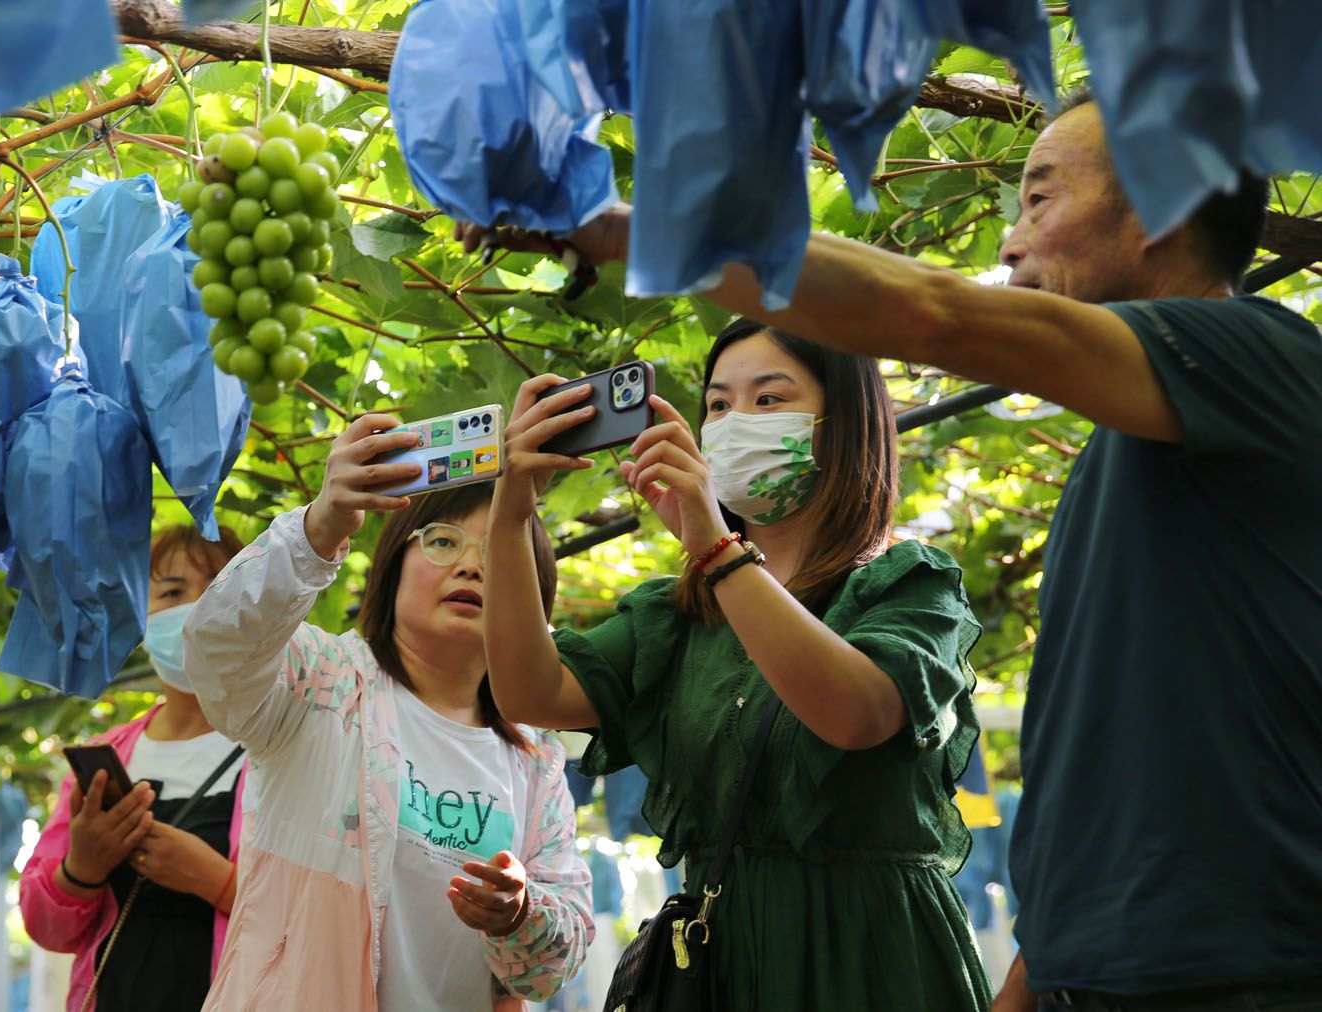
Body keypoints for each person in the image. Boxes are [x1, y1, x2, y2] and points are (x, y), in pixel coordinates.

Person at [465, 87, 1322, 1010]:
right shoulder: (1121, 465)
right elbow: (1104, 779)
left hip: (1228, 975)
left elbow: (932, 314)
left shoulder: (1255, 357)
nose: (1008, 239)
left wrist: (607, 223)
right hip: (1103, 976)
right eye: (718, 401)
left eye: (1038, 198)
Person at [483, 318, 991, 1010]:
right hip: (725, 970)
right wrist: (510, 516)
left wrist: (718, 552)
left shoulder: (909, 582)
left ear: (843, 425)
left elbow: (855, 712)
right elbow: (527, 690)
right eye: (718, 406)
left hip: (874, 966)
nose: (733, 422)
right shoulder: (677, 613)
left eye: (769, 399)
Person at [181, 438, 594, 1012]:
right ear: (394, 564)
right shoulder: (321, 682)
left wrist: (519, 916)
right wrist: (317, 528)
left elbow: (552, 968)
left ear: (535, 599)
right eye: (444, 541)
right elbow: (216, 647)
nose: (472, 565)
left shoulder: (537, 761)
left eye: (500, 554)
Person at [19, 525, 249, 1012]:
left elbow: (331, 914)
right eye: (171, 592)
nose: (197, 609)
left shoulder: (283, 745)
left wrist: (218, 882)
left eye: (218, 588)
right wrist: (82, 867)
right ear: (136, 615)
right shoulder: (110, 754)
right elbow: (46, 928)